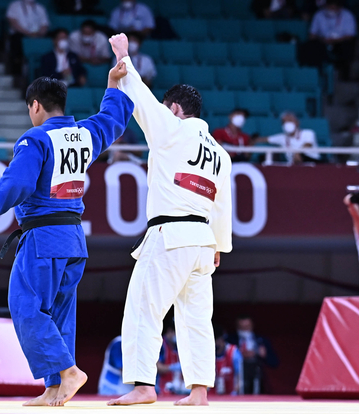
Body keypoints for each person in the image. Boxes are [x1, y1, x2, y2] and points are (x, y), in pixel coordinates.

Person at [0, 65, 134, 407]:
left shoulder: (36, 139)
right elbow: (114, 118)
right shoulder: (84, 134)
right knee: (58, 313)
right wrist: (113, 84)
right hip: (73, 239)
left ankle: (67, 371)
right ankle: (55, 387)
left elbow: (18, 180)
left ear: (35, 105)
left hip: (43, 237)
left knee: (25, 306)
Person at [107, 33, 233, 407]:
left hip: (169, 234)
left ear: (175, 108)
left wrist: (124, 58)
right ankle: (198, 392)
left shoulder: (172, 130)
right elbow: (221, 205)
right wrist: (220, 247)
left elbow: (141, 98)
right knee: (196, 319)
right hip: (202, 241)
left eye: (166, 108)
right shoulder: (221, 154)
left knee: (144, 308)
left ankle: (145, 385)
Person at [227, 316, 279, 395]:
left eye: (247, 327)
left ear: (252, 326)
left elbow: (274, 362)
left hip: (257, 380)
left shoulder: (261, 340)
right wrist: (238, 355)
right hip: (236, 379)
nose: (244, 330)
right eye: (241, 327)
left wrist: (264, 355)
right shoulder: (230, 340)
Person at [309, 0, 356, 80]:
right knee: (311, 47)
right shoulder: (319, 15)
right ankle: (316, 76)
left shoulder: (347, 15)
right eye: (330, 7)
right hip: (323, 42)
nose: (332, 10)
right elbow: (312, 35)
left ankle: (345, 75)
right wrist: (322, 40)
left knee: (347, 46)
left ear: (340, 7)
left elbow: (350, 35)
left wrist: (335, 41)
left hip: (340, 42)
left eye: (334, 8)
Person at [6, 0, 50, 74]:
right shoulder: (14, 5)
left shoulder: (40, 8)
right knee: (16, 39)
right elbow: (13, 22)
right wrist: (28, 33)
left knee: (49, 39)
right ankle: (17, 67)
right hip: (21, 34)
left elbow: (44, 25)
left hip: (37, 35)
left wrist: (39, 34)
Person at [156, 322, 188, 396]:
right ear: (170, 332)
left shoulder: (179, 345)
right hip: (161, 387)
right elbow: (156, 366)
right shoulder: (160, 345)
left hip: (178, 387)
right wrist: (173, 367)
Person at [213, 326, 243, 396]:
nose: (216, 343)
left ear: (222, 339)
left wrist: (234, 394)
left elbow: (241, 377)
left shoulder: (233, 352)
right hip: (210, 395)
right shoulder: (205, 353)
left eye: (218, 340)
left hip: (231, 395)